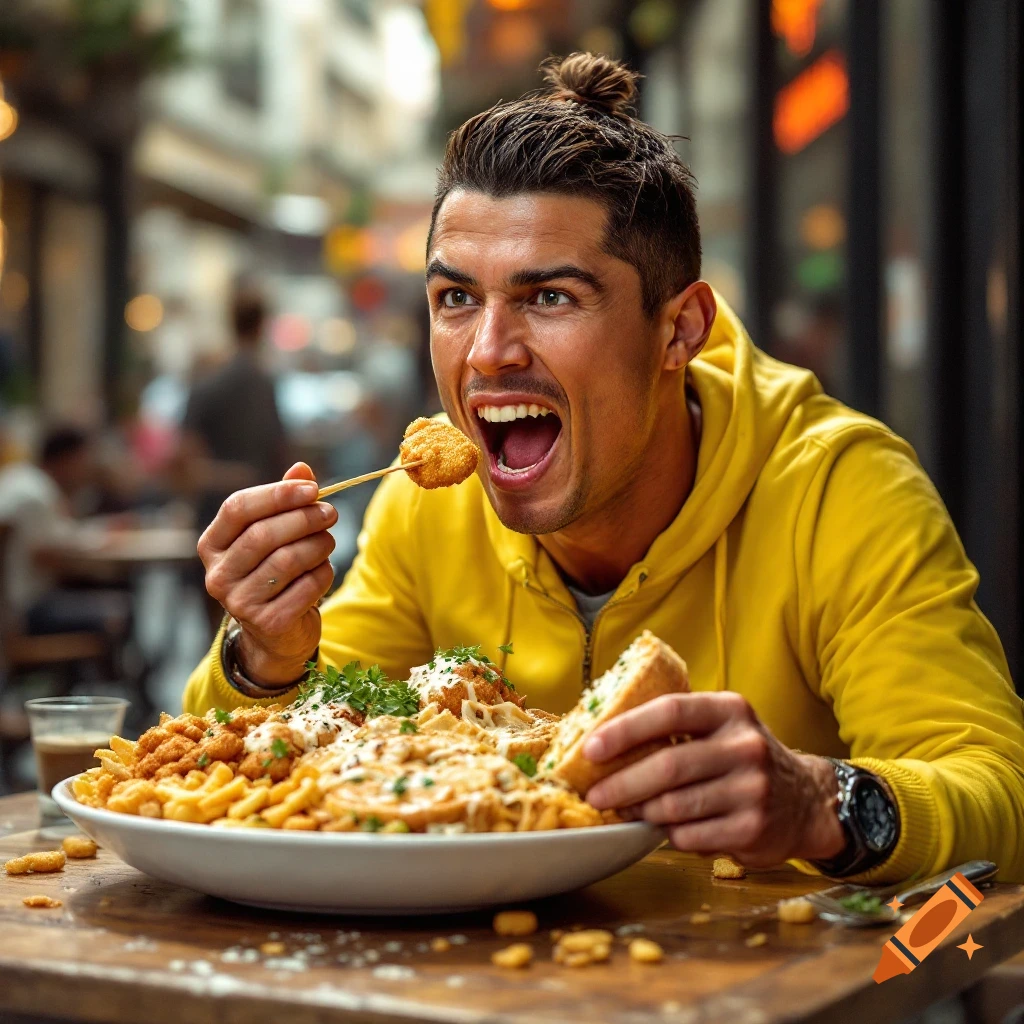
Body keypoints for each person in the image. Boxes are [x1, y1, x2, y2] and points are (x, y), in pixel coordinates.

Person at [182, 54, 1024, 883]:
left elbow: (1002, 795)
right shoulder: (424, 508)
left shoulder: (838, 489)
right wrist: (268, 657)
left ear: (679, 330)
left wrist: (821, 802)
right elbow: (226, 772)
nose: (487, 354)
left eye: (551, 297)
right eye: (456, 299)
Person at [173, 284, 290, 630]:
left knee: (214, 624)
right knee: (255, 623)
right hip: (263, 514)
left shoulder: (208, 384)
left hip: (213, 514)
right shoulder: (265, 384)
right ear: (262, 325)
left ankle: (214, 680)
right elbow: (281, 451)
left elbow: (183, 459)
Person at [0, 426, 129, 639]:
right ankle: (103, 672)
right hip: (25, 612)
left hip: (14, 609)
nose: (86, 470)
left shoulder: (19, 479)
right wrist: (96, 552)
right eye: (82, 461)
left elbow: (57, 537)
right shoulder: (36, 494)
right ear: (66, 459)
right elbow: (45, 554)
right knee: (119, 609)